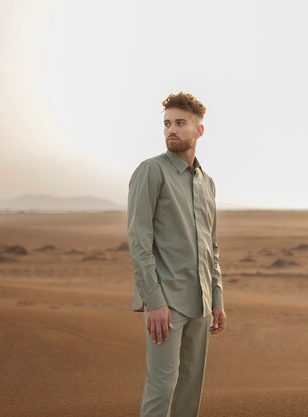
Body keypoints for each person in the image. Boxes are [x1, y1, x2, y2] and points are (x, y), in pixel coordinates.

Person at [127, 92, 226, 417]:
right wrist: (153, 301)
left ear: (199, 130)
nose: (172, 129)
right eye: (167, 123)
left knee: (189, 391)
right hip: (167, 303)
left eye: (180, 123)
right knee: (161, 389)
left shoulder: (207, 183)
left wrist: (218, 299)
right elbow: (139, 240)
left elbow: (210, 247)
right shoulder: (151, 171)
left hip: (201, 303)